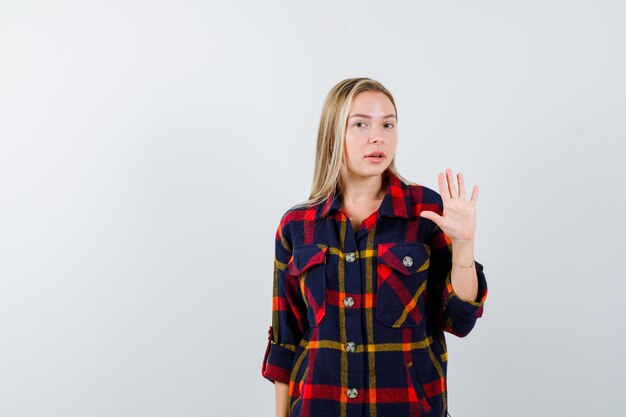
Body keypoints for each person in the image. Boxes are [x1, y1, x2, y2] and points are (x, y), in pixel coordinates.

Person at [261, 77, 488, 417]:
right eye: (361, 124)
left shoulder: (427, 212)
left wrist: (464, 245)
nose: (377, 136)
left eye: (388, 124)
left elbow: (460, 321)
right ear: (333, 134)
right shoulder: (297, 226)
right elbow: (286, 339)